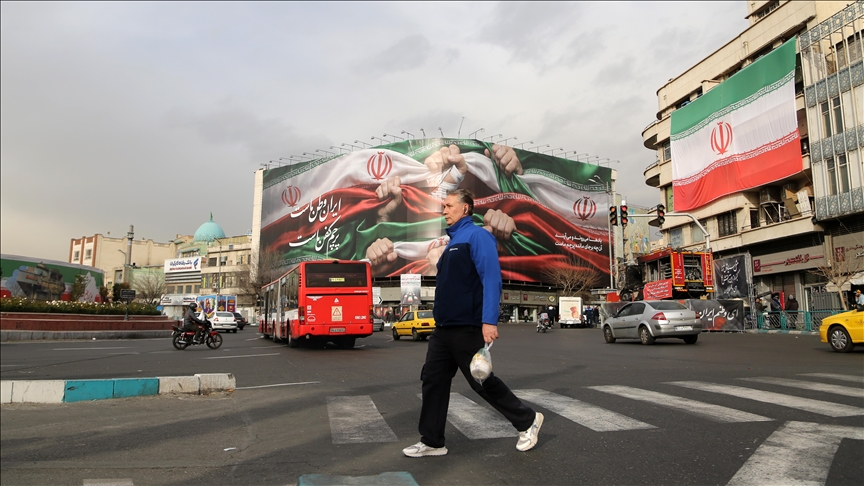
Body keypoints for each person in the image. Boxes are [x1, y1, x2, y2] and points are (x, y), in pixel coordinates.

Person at [402, 188, 543, 458]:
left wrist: (489, 321)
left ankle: (527, 421)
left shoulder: (478, 237)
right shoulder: (450, 245)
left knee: (481, 381)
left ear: (465, 208)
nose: (444, 210)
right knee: (432, 381)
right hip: (443, 330)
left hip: (466, 326)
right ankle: (432, 442)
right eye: (443, 206)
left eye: (448, 206)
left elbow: (492, 279)